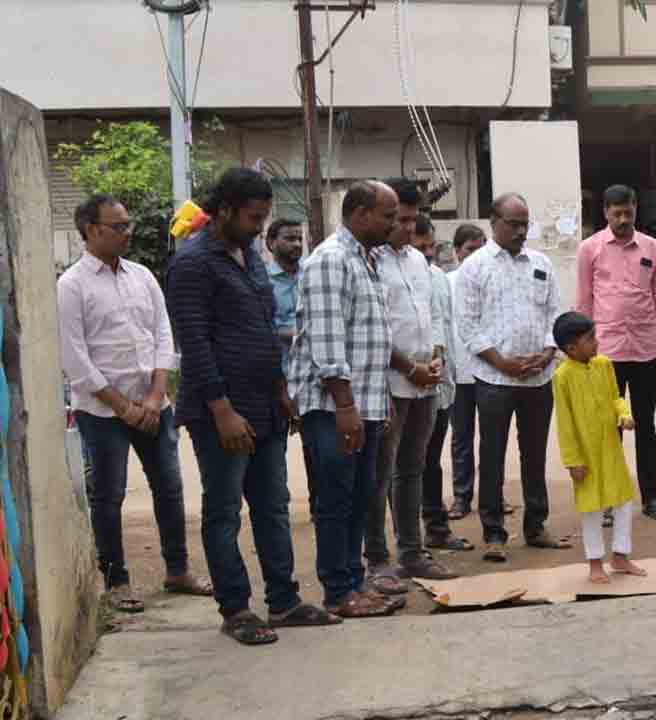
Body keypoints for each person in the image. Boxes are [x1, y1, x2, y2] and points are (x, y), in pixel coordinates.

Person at [168, 168, 334, 646]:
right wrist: (222, 410)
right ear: (223, 211)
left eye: (263, 218)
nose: (260, 227)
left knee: (272, 506)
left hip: (264, 405)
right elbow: (195, 344)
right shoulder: (192, 263)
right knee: (223, 510)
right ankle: (236, 608)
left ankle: (283, 601)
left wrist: (282, 388)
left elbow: (264, 326)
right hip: (219, 412)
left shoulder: (249, 256)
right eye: (253, 217)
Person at [58, 194, 212, 614]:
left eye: (128, 225)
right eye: (119, 226)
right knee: (108, 495)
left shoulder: (142, 275)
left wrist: (156, 395)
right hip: (103, 412)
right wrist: (123, 406)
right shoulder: (71, 285)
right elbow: (74, 358)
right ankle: (116, 580)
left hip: (153, 406)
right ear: (92, 230)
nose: (129, 233)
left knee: (170, 487)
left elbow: (164, 335)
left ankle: (178, 570)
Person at [290, 180, 407, 619]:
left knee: (361, 498)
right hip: (335, 409)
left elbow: (370, 338)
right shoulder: (331, 261)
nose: (395, 224)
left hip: (367, 404)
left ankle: (354, 582)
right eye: (388, 215)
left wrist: (380, 401)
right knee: (337, 500)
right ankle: (338, 591)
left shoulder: (367, 260)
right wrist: (345, 406)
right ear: (359, 214)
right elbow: (328, 340)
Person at [455, 192, 572, 562]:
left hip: (539, 378)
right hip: (495, 381)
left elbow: (557, 313)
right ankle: (493, 532)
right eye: (514, 224)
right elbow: (468, 326)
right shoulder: (475, 267)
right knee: (492, 455)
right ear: (495, 223)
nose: (522, 231)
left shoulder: (541, 263)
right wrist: (501, 362)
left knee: (534, 454)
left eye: (525, 224)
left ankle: (536, 526)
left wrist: (549, 352)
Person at [361, 181, 453, 593]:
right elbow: (373, 329)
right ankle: (377, 559)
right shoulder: (369, 260)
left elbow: (430, 316)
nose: (407, 227)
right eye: (400, 219)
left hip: (424, 382)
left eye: (413, 219)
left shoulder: (418, 260)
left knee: (413, 469)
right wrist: (407, 368)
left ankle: (412, 553)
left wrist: (434, 359)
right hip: (389, 383)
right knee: (379, 474)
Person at [575, 184, 656, 524]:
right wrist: (582, 354)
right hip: (606, 353)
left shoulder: (652, 248)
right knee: (608, 428)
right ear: (605, 212)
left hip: (645, 350)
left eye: (628, 213)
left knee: (646, 426)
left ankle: (651, 498)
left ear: (635, 209)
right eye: (616, 213)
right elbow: (584, 301)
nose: (622, 219)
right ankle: (609, 499)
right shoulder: (590, 249)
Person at [551, 312, 649, 584]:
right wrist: (573, 461)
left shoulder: (604, 365)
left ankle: (620, 556)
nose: (597, 342)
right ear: (571, 348)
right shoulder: (562, 377)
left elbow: (616, 397)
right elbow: (565, 423)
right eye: (589, 339)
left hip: (610, 449)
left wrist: (624, 414)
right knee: (591, 508)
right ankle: (595, 562)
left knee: (623, 502)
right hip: (585, 456)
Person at [410, 213, 474, 554]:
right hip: (407, 384)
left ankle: (436, 527)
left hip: (440, 384)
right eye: (421, 246)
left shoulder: (439, 278)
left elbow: (445, 328)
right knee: (405, 466)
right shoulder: (394, 275)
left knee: (431, 460)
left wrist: (445, 369)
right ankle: (407, 539)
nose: (428, 251)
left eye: (431, 245)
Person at [446, 224, 492, 519]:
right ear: (457, 251)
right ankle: (462, 496)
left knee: (492, 438)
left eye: (479, 249)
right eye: (469, 250)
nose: (474, 255)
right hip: (458, 372)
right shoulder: (446, 282)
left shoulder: (492, 278)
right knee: (461, 436)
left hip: (490, 370)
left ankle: (492, 496)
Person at [264, 219, 304, 371]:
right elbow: (264, 327)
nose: (297, 244)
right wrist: (299, 334)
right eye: (290, 239)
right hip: (278, 371)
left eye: (300, 239)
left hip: (311, 373)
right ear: (271, 243)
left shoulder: (311, 275)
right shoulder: (262, 280)